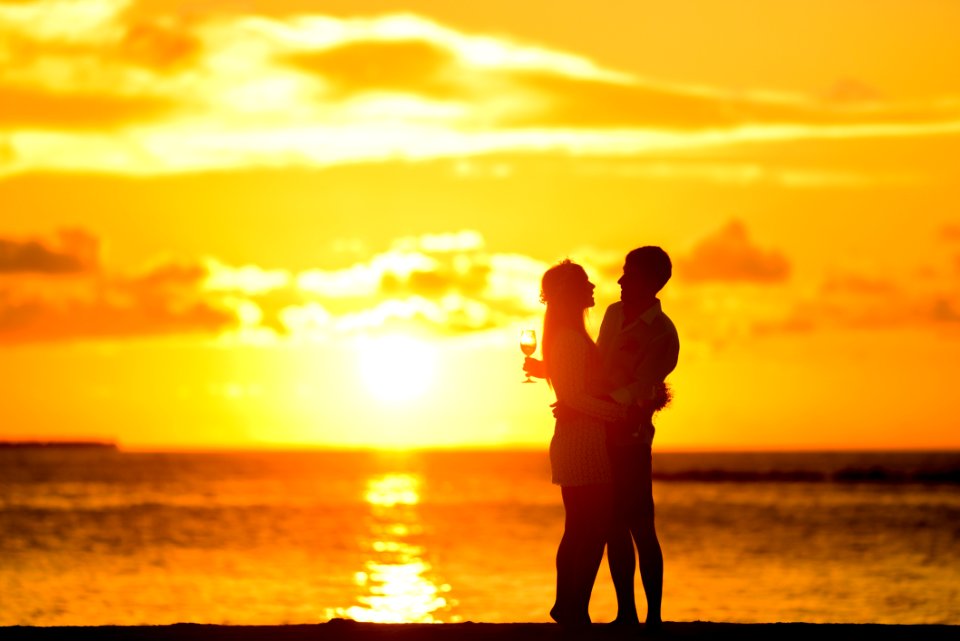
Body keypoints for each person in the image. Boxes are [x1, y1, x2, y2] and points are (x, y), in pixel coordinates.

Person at [526, 246, 679, 630]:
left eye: (629, 273)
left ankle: (652, 617)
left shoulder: (662, 332)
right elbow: (589, 375)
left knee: (639, 524)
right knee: (602, 526)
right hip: (595, 436)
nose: (619, 280)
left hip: (628, 435)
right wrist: (558, 378)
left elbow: (641, 385)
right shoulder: (610, 316)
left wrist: (581, 402)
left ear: (650, 280)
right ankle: (620, 612)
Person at [535, 259, 645, 628]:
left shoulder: (569, 334)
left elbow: (573, 387)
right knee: (590, 528)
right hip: (582, 443)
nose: (592, 286)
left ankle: (570, 605)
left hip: (581, 439)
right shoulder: (567, 337)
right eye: (584, 282)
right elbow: (574, 397)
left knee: (581, 527)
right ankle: (572, 606)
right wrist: (620, 413)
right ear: (568, 292)